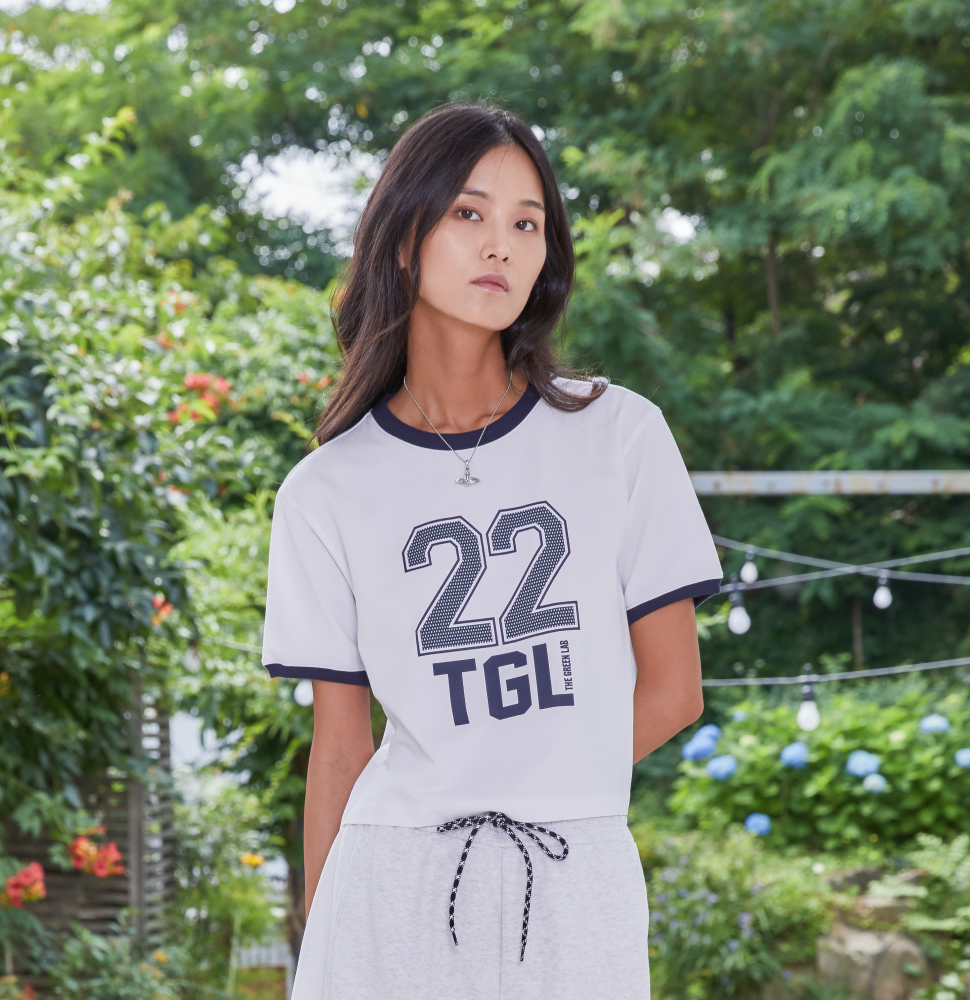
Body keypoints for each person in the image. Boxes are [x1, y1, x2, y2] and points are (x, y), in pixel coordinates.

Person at [261, 99, 723, 1000]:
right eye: (469, 213)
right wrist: (322, 946)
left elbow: (675, 691)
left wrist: (533, 787)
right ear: (406, 237)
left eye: (526, 223)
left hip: (573, 873)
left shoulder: (620, 435)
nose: (501, 246)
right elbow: (341, 750)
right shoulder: (325, 492)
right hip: (388, 887)